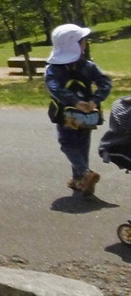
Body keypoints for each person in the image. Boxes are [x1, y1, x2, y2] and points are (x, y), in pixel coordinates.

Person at [45, 24, 112, 197]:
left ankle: (85, 173)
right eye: (83, 41)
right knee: (82, 145)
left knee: (67, 144)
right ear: (74, 45)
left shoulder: (53, 69)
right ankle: (79, 180)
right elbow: (105, 82)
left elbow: (54, 88)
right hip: (88, 114)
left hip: (67, 115)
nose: (85, 44)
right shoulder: (88, 66)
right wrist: (94, 101)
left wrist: (74, 102)